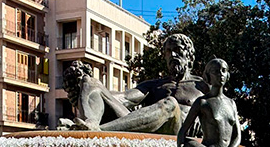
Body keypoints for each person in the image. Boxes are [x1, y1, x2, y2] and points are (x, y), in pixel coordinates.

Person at [61, 34, 209, 135]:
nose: (172, 56)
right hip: (147, 128)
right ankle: (89, 123)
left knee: (170, 103)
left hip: (179, 132)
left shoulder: (202, 86)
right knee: (91, 82)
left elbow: (224, 112)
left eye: (177, 50)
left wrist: (203, 120)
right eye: (169, 52)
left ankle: (98, 130)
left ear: (189, 55)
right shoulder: (154, 85)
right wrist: (84, 90)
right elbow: (123, 98)